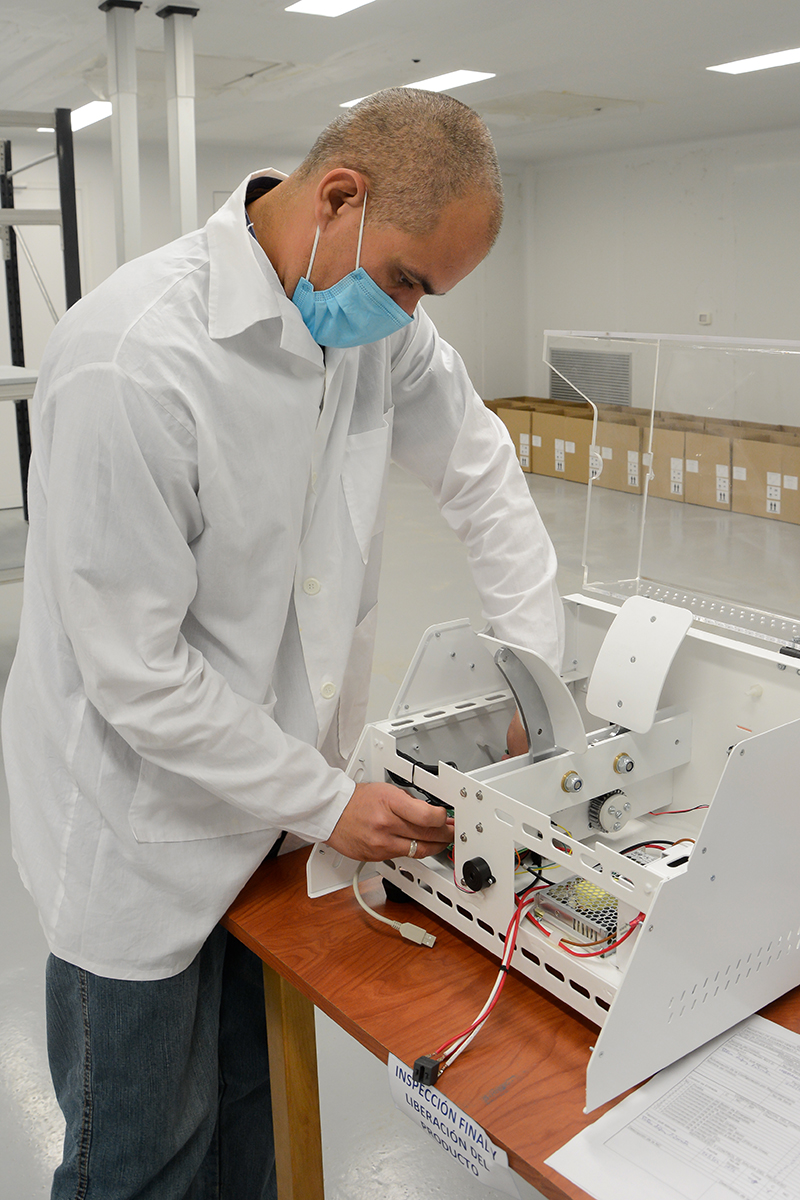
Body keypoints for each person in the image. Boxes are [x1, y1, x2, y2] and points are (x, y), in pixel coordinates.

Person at [2, 87, 563, 1198]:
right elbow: (137, 675)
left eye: (427, 294)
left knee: (247, 1125)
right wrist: (327, 803)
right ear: (339, 198)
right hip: (136, 828)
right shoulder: (136, 359)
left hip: (263, 823)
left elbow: (479, 473)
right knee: (141, 1160)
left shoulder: (372, 326)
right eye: (406, 279)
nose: (408, 312)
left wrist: (531, 689)